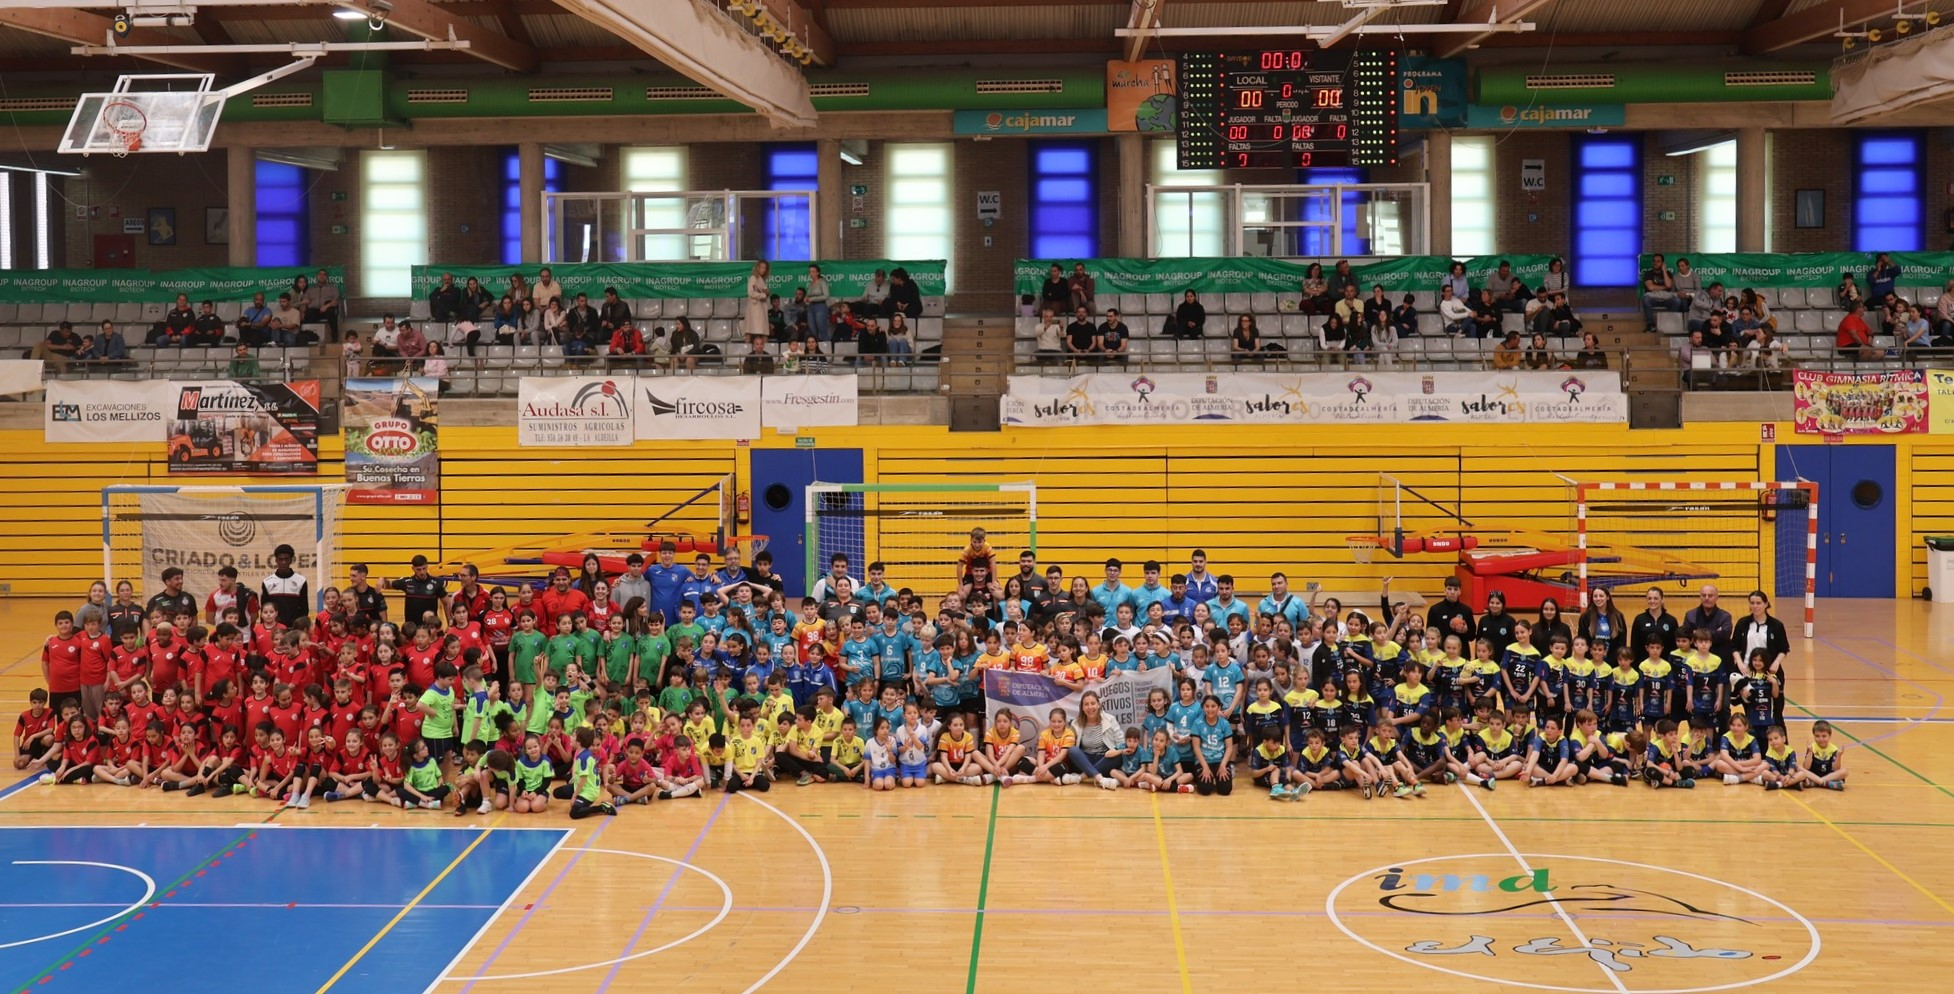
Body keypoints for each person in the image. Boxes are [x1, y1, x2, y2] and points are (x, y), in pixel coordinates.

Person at [1641, 253, 1686, 329]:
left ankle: (1669, 322)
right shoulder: (1648, 273)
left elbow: (1669, 285)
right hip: (1653, 298)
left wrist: (1664, 271)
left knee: (1677, 301)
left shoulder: (1668, 273)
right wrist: (1664, 287)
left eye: (1658, 261)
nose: (1655, 263)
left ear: (1662, 263)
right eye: (1654, 261)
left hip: (1666, 298)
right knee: (1645, 299)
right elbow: (1651, 287)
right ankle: (1650, 324)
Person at [302, 269, 341, 342]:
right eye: (320, 274)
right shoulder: (310, 289)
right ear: (317, 276)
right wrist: (303, 312)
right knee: (308, 314)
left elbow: (336, 300)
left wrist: (326, 306)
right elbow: (305, 301)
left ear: (326, 277)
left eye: (324, 275)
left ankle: (334, 336)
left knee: (332, 312)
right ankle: (310, 337)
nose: (322, 276)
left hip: (327, 310)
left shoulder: (332, 288)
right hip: (314, 310)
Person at [744, 261, 771, 344]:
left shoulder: (761, 279)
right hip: (754, 308)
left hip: (761, 308)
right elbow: (750, 292)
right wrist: (763, 295)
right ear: (757, 268)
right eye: (761, 267)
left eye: (765, 268)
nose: (763, 270)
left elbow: (765, 292)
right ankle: (746, 352)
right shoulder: (753, 278)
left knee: (763, 331)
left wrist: (767, 292)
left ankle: (764, 353)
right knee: (750, 331)